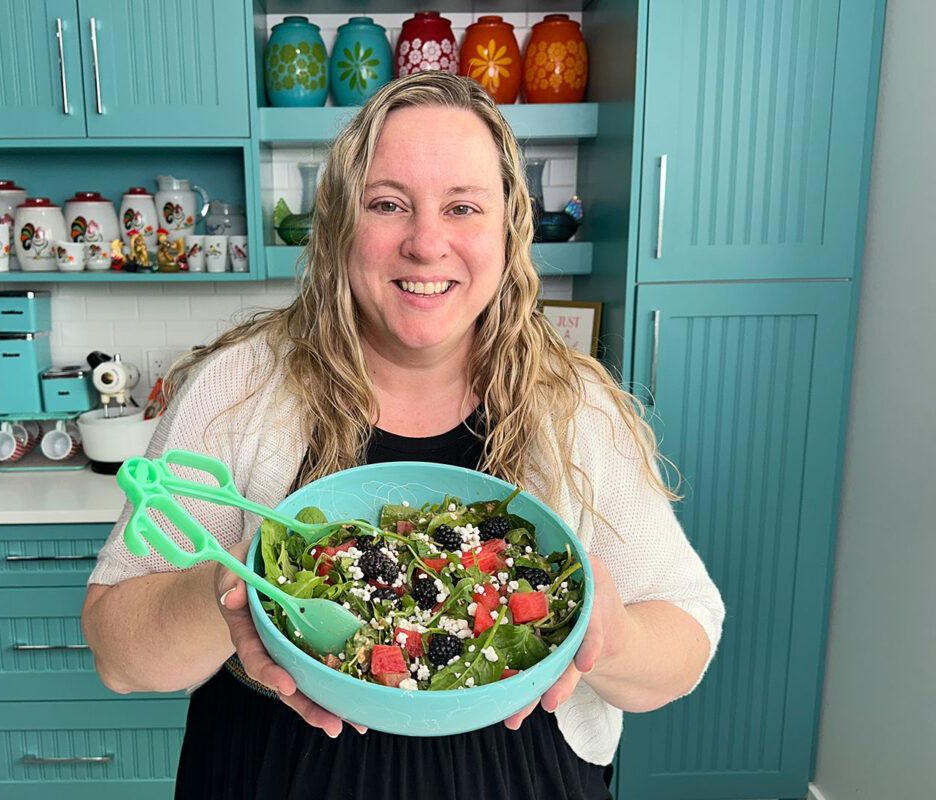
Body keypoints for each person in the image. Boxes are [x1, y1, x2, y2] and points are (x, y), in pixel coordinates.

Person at [81, 71, 724, 800]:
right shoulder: (240, 389)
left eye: (463, 208)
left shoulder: (574, 408)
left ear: (509, 230)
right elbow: (118, 656)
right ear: (340, 224)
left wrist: (614, 638)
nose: (426, 243)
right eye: (389, 204)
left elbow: (688, 636)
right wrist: (230, 588)